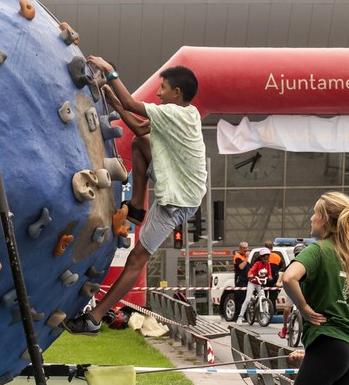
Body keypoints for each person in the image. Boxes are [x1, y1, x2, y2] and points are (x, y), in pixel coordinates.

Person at [64, 56, 208, 335]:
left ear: (176, 93)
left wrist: (110, 72)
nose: (158, 92)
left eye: (163, 87)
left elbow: (131, 104)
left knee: (137, 259)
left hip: (178, 202)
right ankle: (138, 207)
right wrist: (110, 97)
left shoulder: (177, 114)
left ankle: (94, 318)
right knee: (141, 143)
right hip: (181, 188)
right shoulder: (181, 114)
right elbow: (140, 128)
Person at [282, 191, 349, 385]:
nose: (311, 218)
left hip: (327, 344)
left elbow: (289, 277)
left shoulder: (318, 250)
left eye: (314, 213)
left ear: (326, 219)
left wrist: (304, 308)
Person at [236, 247, 272, 324]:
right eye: (265, 259)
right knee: (248, 299)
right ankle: (240, 316)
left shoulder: (268, 264)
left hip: (260, 283)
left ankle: (265, 316)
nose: (266, 261)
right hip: (252, 282)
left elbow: (269, 274)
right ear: (261, 258)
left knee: (264, 299)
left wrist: (269, 277)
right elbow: (250, 271)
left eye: (267, 259)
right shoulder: (257, 264)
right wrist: (250, 275)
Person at [278, 242, 306, 339]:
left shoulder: (308, 263)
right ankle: (284, 328)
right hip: (292, 289)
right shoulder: (293, 263)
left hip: (303, 289)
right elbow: (283, 274)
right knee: (286, 309)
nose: (299, 256)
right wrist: (278, 282)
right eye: (297, 254)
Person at [264, 239, 286, 313]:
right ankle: (273, 312)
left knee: (263, 296)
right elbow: (281, 266)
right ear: (272, 248)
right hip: (274, 279)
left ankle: (263, 311)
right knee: (272, 297)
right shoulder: (277, 256)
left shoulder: (262, 256)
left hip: (264, 278)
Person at [233, 241, 250, 320]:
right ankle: (238, 315)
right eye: (244, 248)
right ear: (240, 249)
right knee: (240, 298)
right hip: (240, 279)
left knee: (246, 298)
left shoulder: (246, 257)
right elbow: (241, 267)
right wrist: (246, 258)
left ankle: (245, 315)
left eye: (247, 248)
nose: (246, 250)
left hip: (247, 279)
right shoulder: (238, 256)